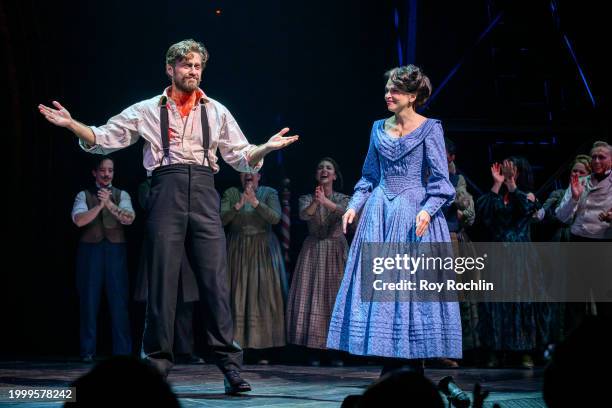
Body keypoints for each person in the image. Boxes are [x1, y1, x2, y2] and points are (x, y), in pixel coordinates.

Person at [39, 39, 298, 394]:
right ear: (170, 68)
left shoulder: (216, 111)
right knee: (162, 281)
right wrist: (72, 125)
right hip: (167, 188)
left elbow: (241, 155)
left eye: (197, 66)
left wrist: (265, 148)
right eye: (186, 65)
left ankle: (230, 367)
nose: (192, 72)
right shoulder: (147, 110)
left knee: (216, 283)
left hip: (205, 190)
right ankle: (155, 367)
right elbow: (102, 138)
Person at [326, 65, 461, 375]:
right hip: (380, 216)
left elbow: (442, 183)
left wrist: (427, 210)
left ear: (412, 96)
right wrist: (355, 205)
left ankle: (414, 366)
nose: (388, 94)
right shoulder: (377, 128)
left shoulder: (430, 129)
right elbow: (369, 176)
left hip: (414, 216)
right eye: (387, 89)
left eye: (395, 90)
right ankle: (390, 364)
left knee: (411, 293)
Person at [476, 157, 551, 368]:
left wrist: (511, 184)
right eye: (506, 169)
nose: (508, 172)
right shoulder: (496, 197)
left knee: (521, 302)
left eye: (512, 170)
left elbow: (528, 209)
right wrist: (498, 183)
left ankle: (524, 350)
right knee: (494, 304)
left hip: (521, 258)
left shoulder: (525, 195)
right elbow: (482, 213)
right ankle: (495, 350)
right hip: (498, 257)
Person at [285, 157, 350, 366]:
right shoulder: (306, 198)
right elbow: (305, 215)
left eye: (328, 168)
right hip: (313, 250)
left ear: (334, 175)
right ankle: (313, 349)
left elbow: (346, 214)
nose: (324, 170)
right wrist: (317, 200)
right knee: (313, 297)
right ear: (316, 175)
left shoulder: (344, 198)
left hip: (336, 250)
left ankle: (335, 351)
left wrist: (327, 202)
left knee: (334, 297)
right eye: (320, 167)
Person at [71, 155, 134, 363]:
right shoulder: (84, 195)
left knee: (119, 302)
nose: (107, 174)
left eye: (110, 170)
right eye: (103, 170)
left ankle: (122, 352)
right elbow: (79, 221)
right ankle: (87, 351)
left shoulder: (121, 194)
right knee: (88, 301)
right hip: (90, 253)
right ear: (95, 172)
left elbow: (128, 218)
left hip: (116, 253)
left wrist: (110, 204)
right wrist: (99, 205)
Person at [220, 171, 287, 362]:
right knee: (237, 294)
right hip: (237, 248)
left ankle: (263, 348)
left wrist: (256, 203)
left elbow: (275, 218)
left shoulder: (268, 192)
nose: (249, 174)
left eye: (253, 171)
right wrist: (238, 205)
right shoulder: (231, 193)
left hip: (263, 248)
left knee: (263, 295)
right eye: (244, 171)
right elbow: (221, 220)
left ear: (259, 176)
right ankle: (236, 346)